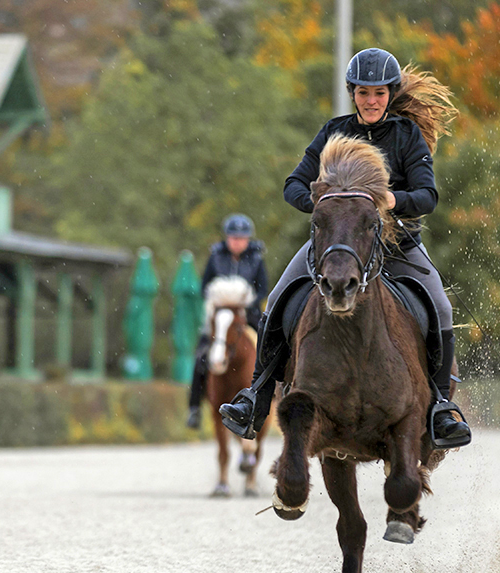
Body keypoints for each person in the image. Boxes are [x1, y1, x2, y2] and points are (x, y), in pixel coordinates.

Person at [219, 47, 471, 448]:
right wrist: (321, 204)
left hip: (396, 246)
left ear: (390, 94)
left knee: (440, 306)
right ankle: (256, 399)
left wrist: (392, 201)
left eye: (379, 94)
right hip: (336, 244)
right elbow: (293, 185)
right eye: (363, 93)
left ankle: (441, 408)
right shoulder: (333, 132)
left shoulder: (406, 136)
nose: (371, 102)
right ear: (352, 92)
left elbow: (427, 196)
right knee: (279, 302)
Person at [186, 214, 269, 428]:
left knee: (268, 350)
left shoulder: (257, 259)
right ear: (227, 238)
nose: (237, 242)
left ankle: (273, 394)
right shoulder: (215, 257)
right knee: (201, 354)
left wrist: (247, 301)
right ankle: (194, 408)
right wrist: (218, 300)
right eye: (234, 238)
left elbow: (262, 290)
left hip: (245, 314)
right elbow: (205, 285)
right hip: (220, 314)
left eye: (242, 238)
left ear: (248, 239)